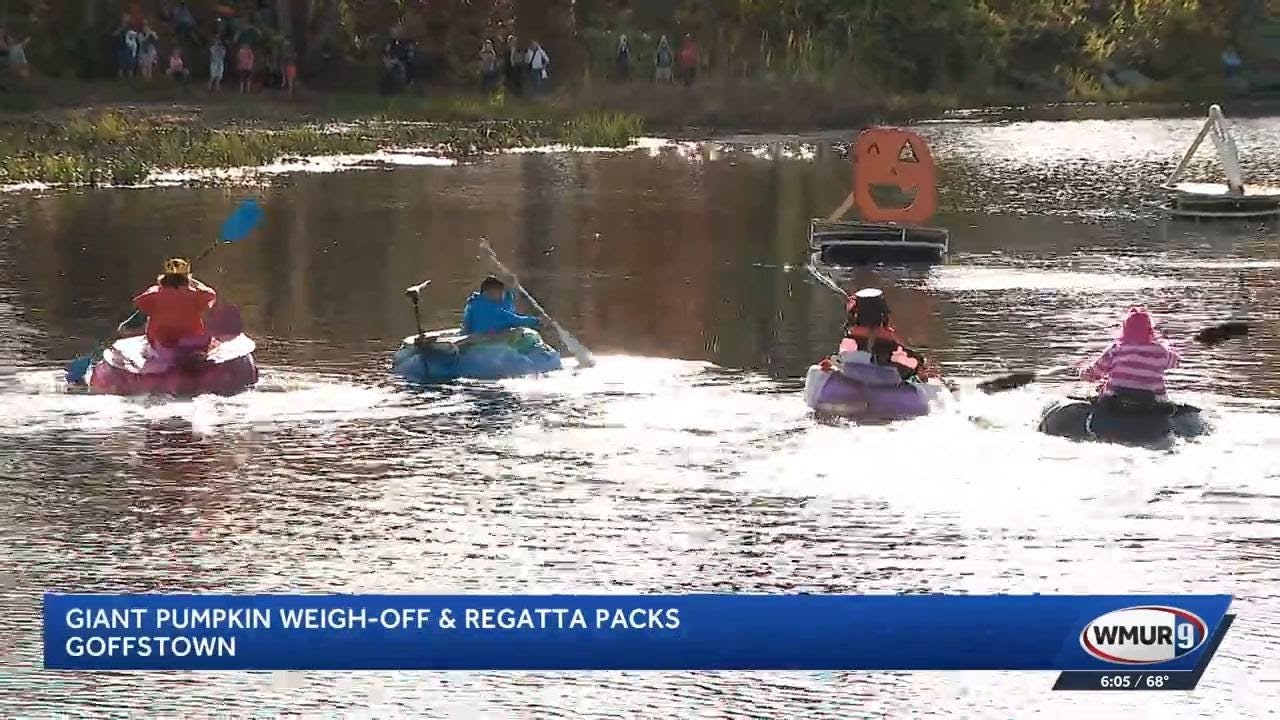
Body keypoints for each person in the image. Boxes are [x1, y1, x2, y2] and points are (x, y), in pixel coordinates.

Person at [1078, 307, 1180, 405]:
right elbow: (1175, 362)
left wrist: (1083, 372)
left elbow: (1093, 374)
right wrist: (1167, 346)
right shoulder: (1160, 351)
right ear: (1150, 330)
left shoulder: (1116, 349)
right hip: (1152, 401)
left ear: (1124, 329)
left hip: (1116, 399)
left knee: (1101, 389)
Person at [121, 258, 217, 354]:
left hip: (162, 343)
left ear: (164, 278)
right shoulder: (196, 294)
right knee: (208, 342)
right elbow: (210, 294)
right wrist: (194, 282)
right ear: (187, 278)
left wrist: (126, 326)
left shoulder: (154, 293)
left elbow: (141, 314)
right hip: (191, 342)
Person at [837, 288, 926, 381]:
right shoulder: (888, 337)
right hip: (884, 382)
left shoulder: (850, 338)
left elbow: (846, 358)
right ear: (883, 313)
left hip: (858, 381)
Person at [461, 276, 540, 335]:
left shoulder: (475, 301)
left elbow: (507, 305)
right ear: (493, 292)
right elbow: (514, 319)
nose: (503, 295)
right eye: (501, 292)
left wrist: (510, 288)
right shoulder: (492, 310)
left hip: (476, 334)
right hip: (484, 340)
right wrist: (538, 321)